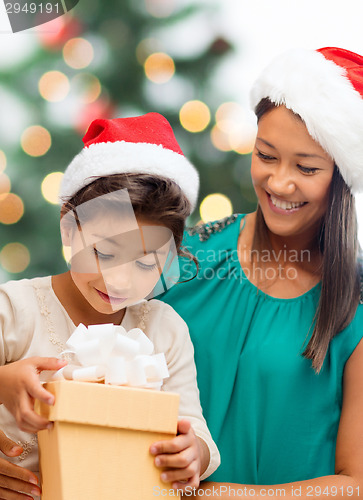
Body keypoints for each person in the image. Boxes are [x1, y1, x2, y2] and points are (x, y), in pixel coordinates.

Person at [158, 47, 363, 497]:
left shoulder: (357, 305)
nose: (279, 183)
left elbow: (356, 483)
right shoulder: (188, 256)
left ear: (344, 178)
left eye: (306, 167)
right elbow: (82, 353)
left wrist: (221, 494)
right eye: (266, 156)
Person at [0, 113, 220, 499]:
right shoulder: (14, 310)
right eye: (103, 252)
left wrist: (193, 453)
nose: (118, 280)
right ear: (70, 230)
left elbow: (193, 427)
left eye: (146, 263)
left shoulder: (164, 329)